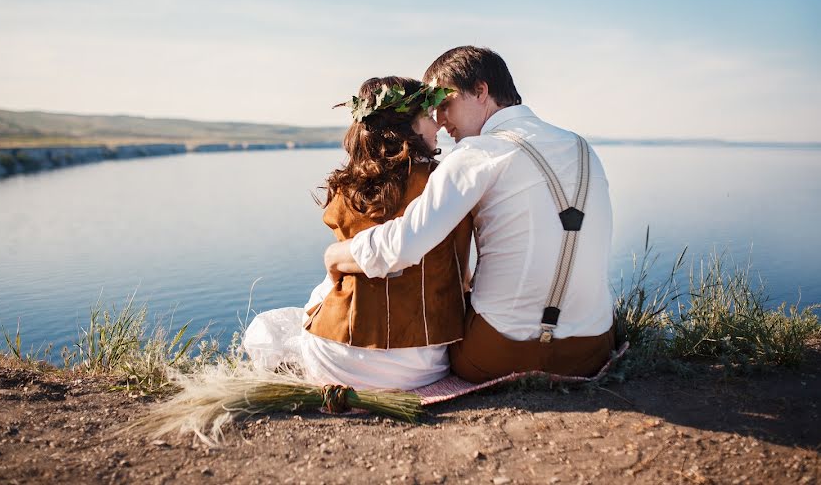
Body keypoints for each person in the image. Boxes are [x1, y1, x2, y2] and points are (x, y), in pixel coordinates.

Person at [324, 47, 616, 383]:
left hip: (496, 354)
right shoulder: (581, 146)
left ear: (481, 91)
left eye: (445, 105)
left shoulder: (476, 153)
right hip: (592, 349)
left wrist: (337, 254)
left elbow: (404, 246)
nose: (440, 120)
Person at [243, 76, 473, 390]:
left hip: (338, 357)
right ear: (410, 127)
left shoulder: (351, 187)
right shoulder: (445, 185)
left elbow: (339, 278)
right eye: (428, 117)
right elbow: (462, 279)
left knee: (267, 328)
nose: (437, 127)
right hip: (424, 365)